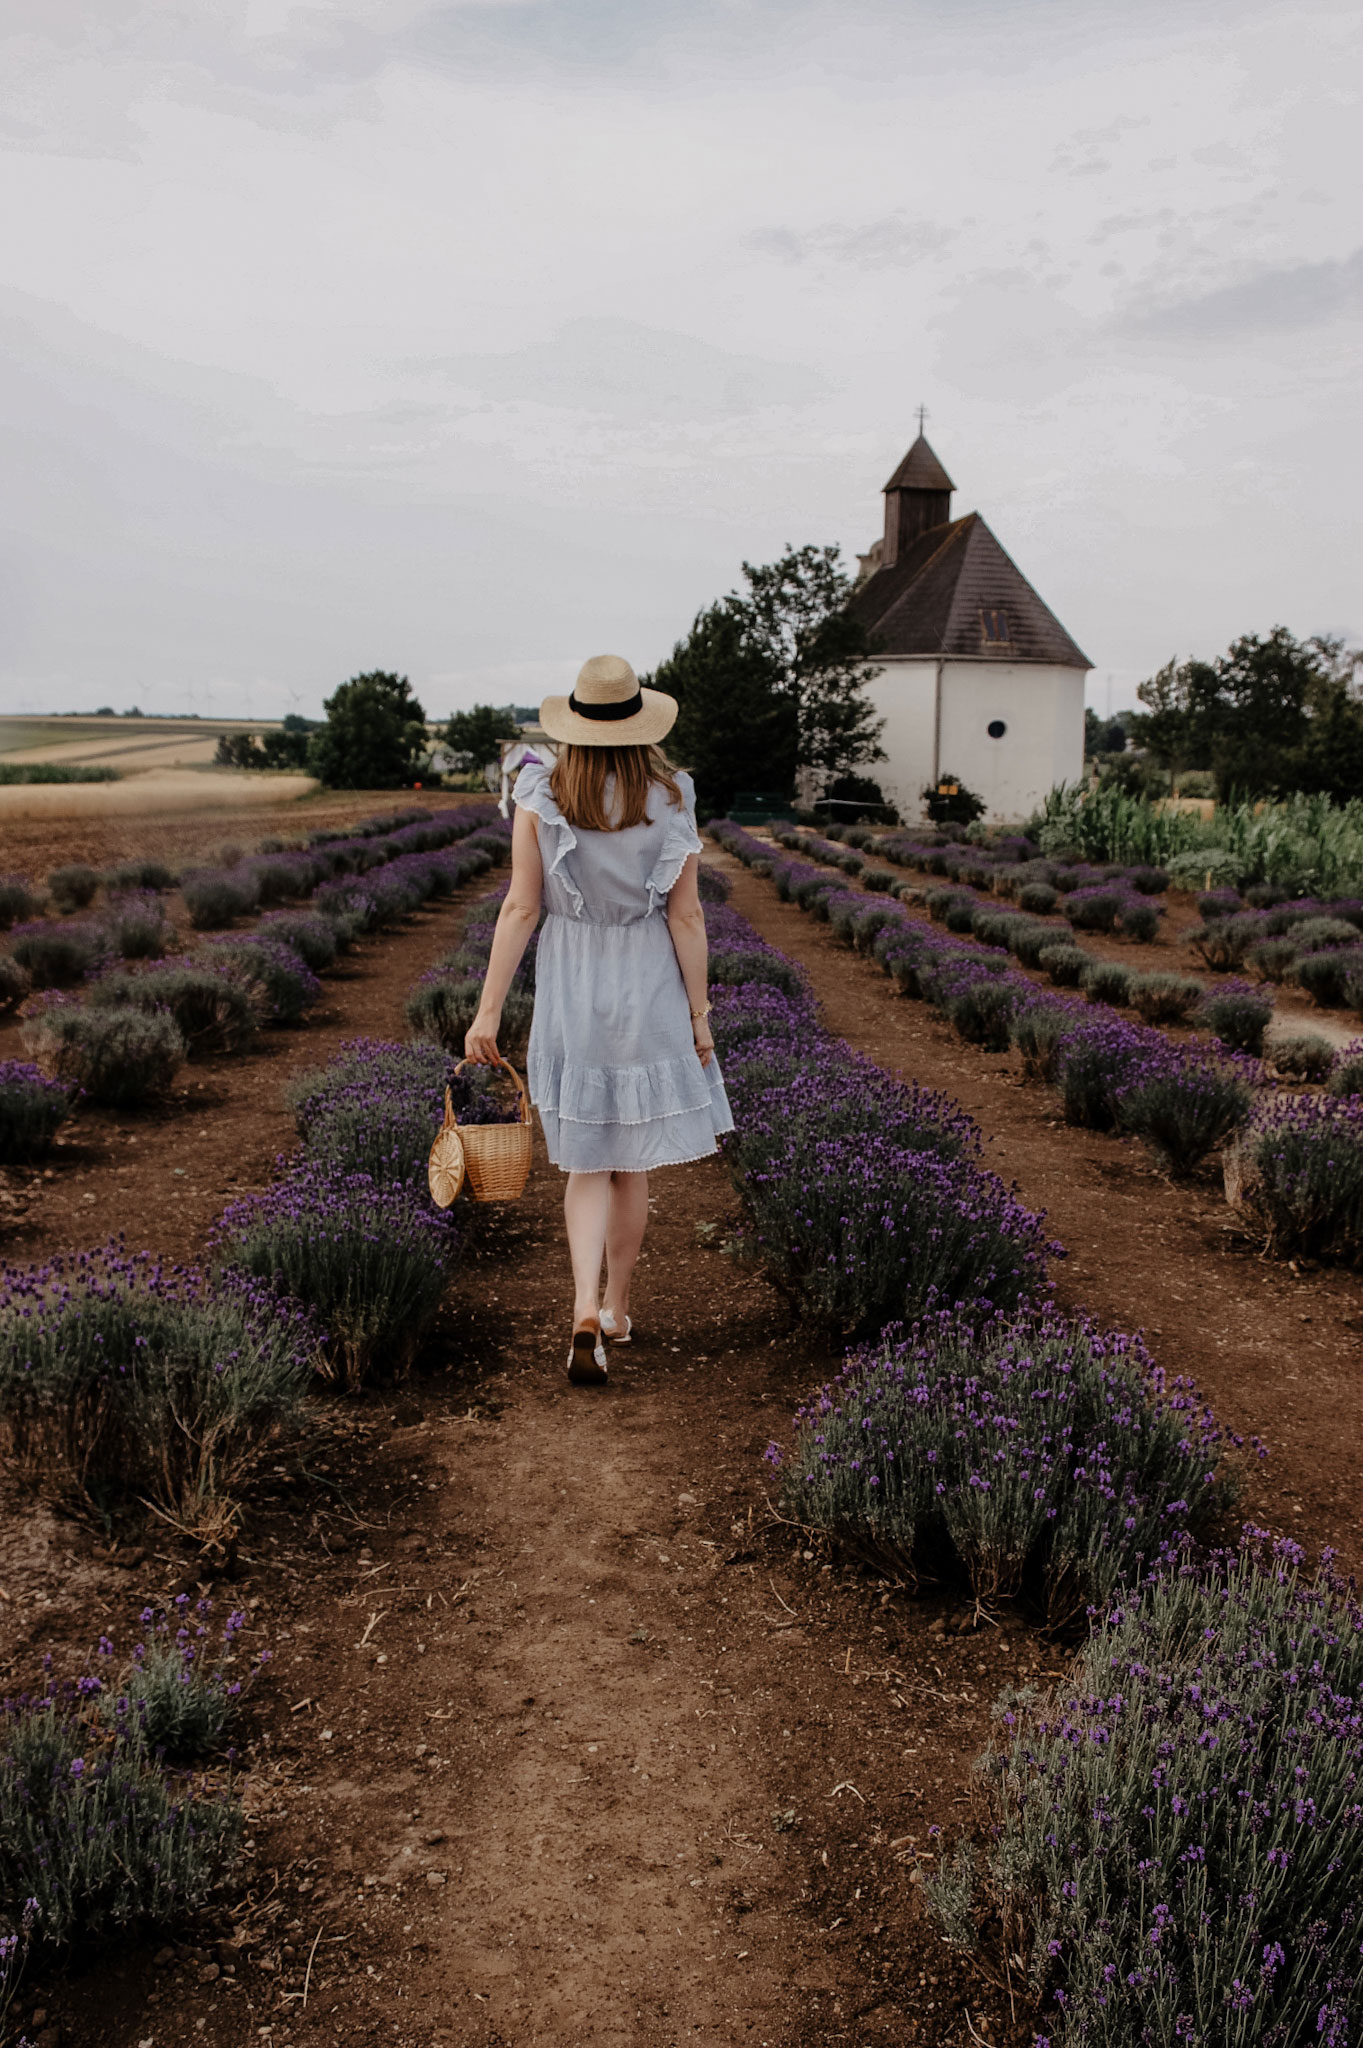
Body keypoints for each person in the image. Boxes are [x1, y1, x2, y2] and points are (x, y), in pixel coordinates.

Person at [465, 654, 733, 1385]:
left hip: (572, 984)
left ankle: (582, 1309)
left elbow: (521, 907)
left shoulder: (540, 790)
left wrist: (487, 1012)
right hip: (646, 979)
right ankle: (616, 1307)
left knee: (585, 1161)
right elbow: (687, 916)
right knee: (630, 1164)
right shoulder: (671, 792)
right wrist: (699, 1015)